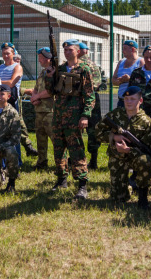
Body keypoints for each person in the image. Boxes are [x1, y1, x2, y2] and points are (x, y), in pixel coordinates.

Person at [45, 39, 95, 200]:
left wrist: (85, 115)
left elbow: (89, 94)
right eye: (65, 50)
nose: (67, 52)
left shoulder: (84, 69)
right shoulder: (59, 69)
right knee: (58, 149)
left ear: (78, 51)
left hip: (74, 117)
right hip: (59, 115)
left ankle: (82, 185)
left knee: (76, 149)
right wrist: (50, 76)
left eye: (70, 50)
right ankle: (61, 180)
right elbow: (50, 90)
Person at [95, 86, 151, 208]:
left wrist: (128, 150)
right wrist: (113, 137)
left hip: (135, 156)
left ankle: (143, 197)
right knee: (118, 199)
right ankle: (125, 189)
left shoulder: (146, 121)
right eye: (126, 99)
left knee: (145, 161)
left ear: (140, 101)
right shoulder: (115, 115)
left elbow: (148, 146)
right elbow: (97, 132)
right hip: (117, 157)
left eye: (132, 99)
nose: (128, 102)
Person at [0, 42, 38, 158]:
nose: (5, 56)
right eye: (3, 53)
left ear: (13, 53)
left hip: (12, 103)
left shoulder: (17, 67)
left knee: (14, 131)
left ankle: (16, 159)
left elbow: (11, 83)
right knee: (0, 131)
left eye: (8, 53)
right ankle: (2, 159)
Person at [24, 47, 55, 171]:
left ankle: (61, 163)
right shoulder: (43, 72)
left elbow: (52, 91)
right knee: (40, 138)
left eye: (41, 58)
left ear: (47, 58)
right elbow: (36, 87)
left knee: (55, 138)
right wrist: (34, 97)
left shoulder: (54, 72)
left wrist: (37, 96)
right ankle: (42, 162)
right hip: (40, 109)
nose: (39, 60)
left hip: (50, 110)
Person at [78, 42, 103, 170]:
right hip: (93, 99)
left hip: (79, 99)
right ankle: (93, 160)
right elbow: (98, 83)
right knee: (93, 130)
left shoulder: (77, 65)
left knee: (77, 130)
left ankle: (77, 159)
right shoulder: (94, 65)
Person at [112, 40, 144, 108]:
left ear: (132, 49)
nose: (123, 51)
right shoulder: (121, 62)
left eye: (125, 48)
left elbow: (144, 81)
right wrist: (120, 81)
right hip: (121, 100)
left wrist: (130, 79)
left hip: (134, 102)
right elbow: (113, 79)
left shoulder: (140, 62)